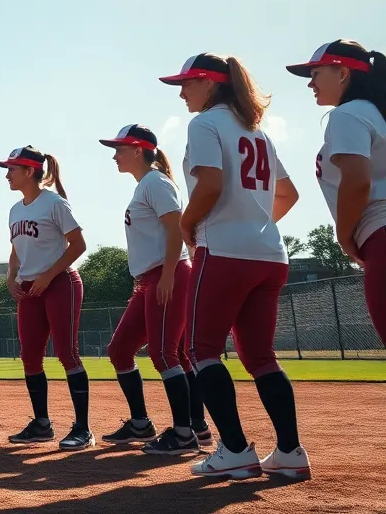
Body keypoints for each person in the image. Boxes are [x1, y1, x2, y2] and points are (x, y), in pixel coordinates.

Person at [160, 53, 307, 480]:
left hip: (223, 251)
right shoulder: (256, 131)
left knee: (201, 350)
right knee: (261, 356)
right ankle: (290, 452)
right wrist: (254, 224)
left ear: (210, 83)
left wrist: (189, 225)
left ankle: (236, 450)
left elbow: (209, 184)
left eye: (187, 83)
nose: (183, 92)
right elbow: (289, 195)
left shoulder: (204, 124)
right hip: (269, 255)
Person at [98, 126, 209, 456]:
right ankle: (145, 424)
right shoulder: (146, 185)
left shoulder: (156, 182)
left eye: (119, 149)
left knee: (165, 354)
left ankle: (185, 432)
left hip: (167, 273)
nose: (114, 155)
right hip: (151, 277)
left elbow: (177, 230)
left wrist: (169, 274)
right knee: (120, 350)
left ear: (137, 150)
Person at [287, 40, 386, 346]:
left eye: (316, 73)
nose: (311, 83)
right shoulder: (377, 113)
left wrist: (345, 238)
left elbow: (357, 182)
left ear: (342, 73)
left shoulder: (347, 114)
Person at [0, 146, 93, 451]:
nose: (7, 174)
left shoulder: (53, 202)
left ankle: (83, 429)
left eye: (12, 169)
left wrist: (49, 275)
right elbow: (15, 251)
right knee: (30, 357)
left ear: (29, 171)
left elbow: (79, 245)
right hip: (29, 289)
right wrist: (11, 278)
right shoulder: (15, 209)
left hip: (60, 283)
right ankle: (41, 424)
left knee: (66, 353)